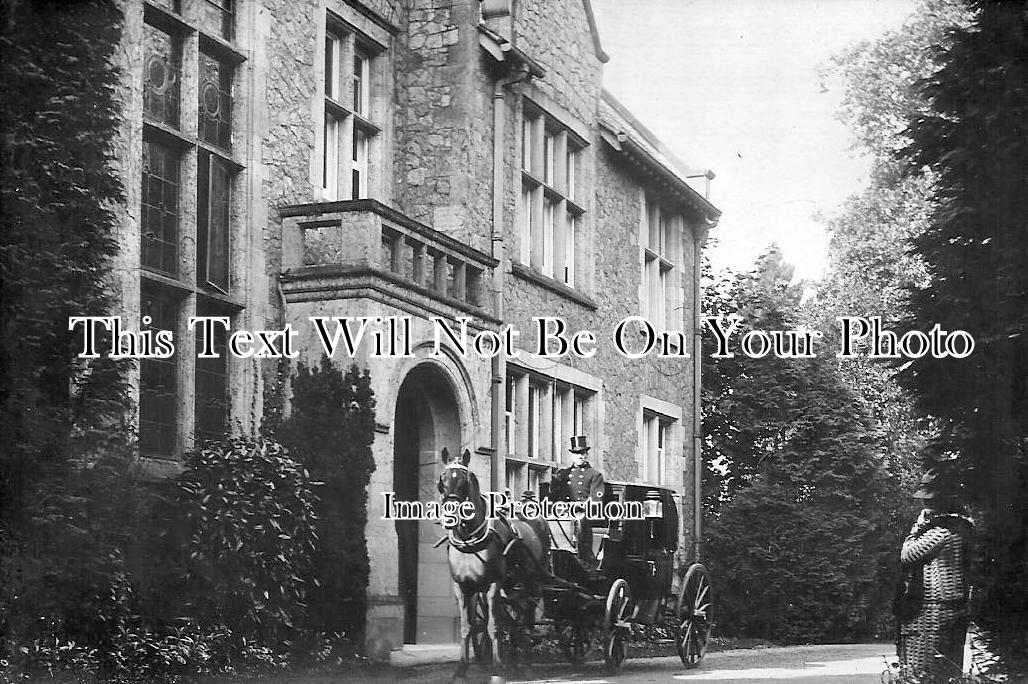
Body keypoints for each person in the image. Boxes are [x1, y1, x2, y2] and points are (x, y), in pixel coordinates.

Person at [897, 468, 973, 682]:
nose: (925, 504)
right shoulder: (962, 526)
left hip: (930, 609)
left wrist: (917, 526)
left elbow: (908, 554)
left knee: (920, 673)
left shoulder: (940, 530)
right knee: (948, 672)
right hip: (952, 607)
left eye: (929, 500)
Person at [551, 435, 604, 563]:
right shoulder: (563, 474)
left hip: (584, 515)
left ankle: (582, 557)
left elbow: (596, 499)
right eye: (576, 453)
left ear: (587, 455)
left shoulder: (594, 474)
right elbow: (555, 496)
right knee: (551, 520)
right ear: (572, 455)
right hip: (564, 513)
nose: (580, 456)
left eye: (582, 453)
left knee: (579, 521)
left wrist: (581, 506)